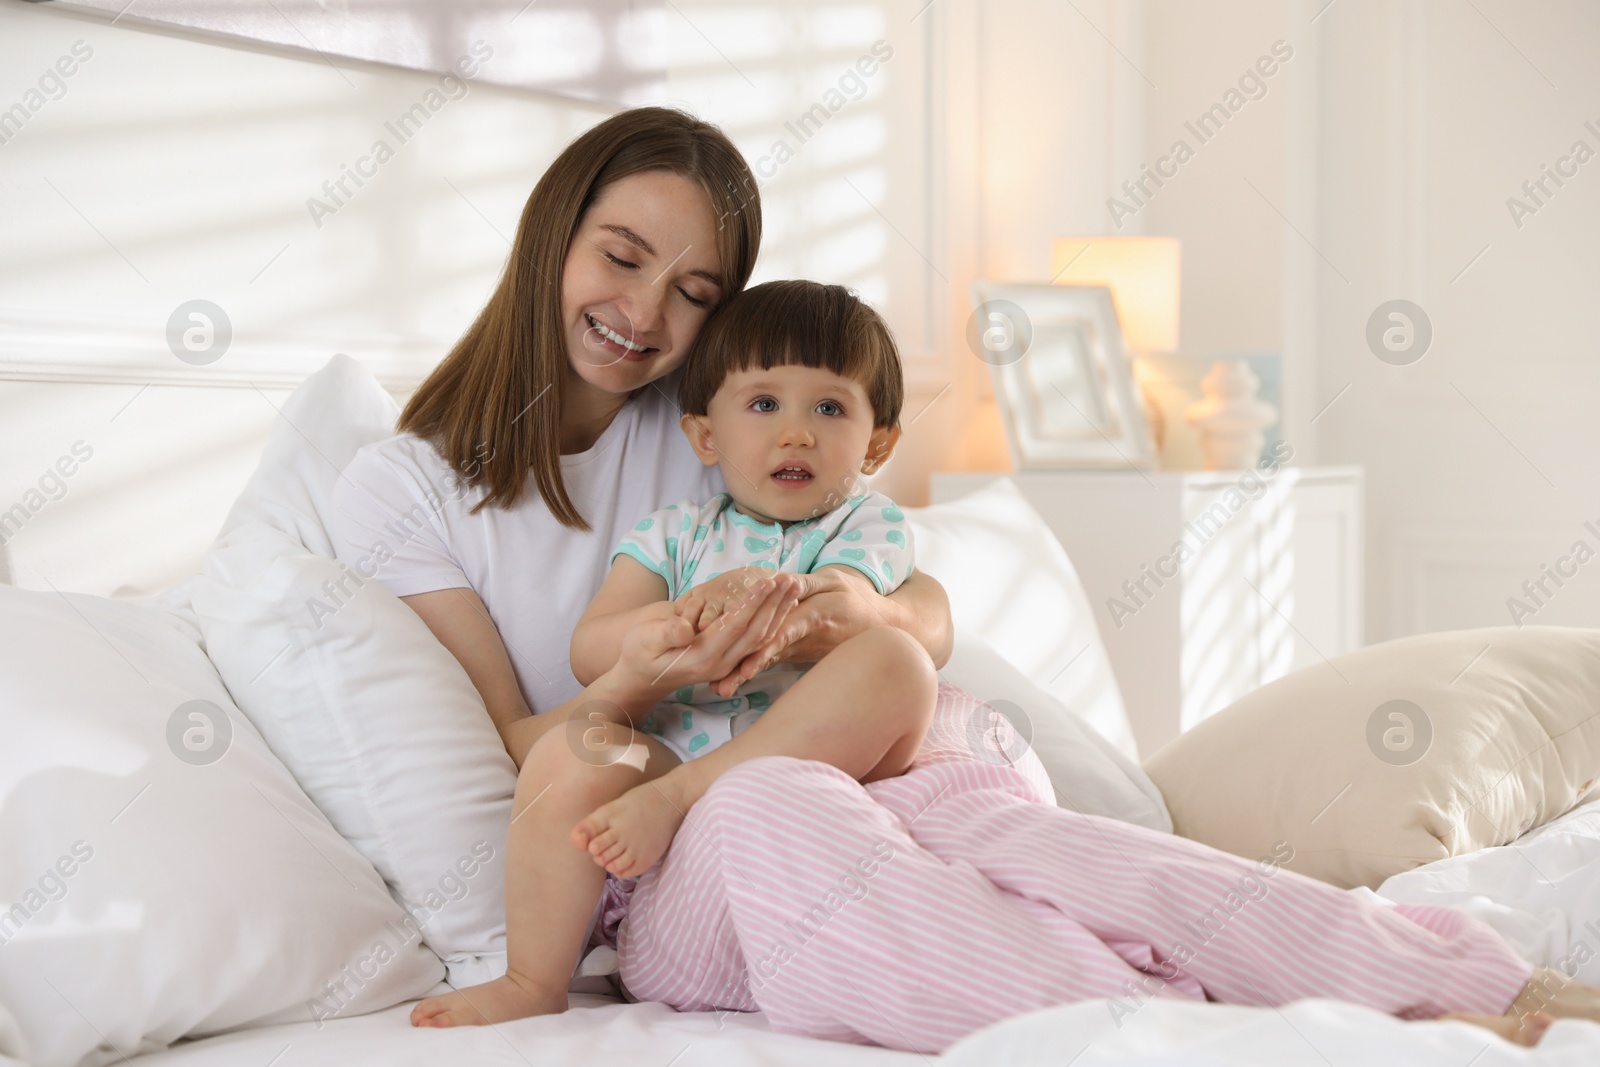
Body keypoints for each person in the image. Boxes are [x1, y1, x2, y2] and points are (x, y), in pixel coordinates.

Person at [332, 105, 1593, 1052]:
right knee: (775, 812)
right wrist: (659, 663)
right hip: (692, 814)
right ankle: (1209, 1030)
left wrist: (867, 618)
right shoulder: (415, 487)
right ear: (554, 230)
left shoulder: (716, 411)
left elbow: (918, 609)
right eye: (618, 256)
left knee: (1080, 850)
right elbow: (524, 739)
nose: (645, 314)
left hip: (885, 756)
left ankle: (1482, 988)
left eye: (693, 292)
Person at [411, 279, 936, 1026]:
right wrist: (662, 631)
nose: (796, 433)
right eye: (763, 404)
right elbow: (593, 646)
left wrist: (791, 606)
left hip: (811, 773)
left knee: (897, 662)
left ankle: (685, 798)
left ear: (878, 441)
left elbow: (848, 595)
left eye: (829, 407)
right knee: (571, 751)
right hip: (673, 768)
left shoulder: (866, 524)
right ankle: (532, 978)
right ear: (705, 436)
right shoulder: (675, 533)